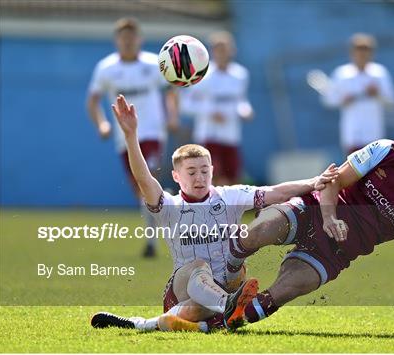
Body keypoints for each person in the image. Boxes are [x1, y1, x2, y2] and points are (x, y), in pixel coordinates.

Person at [227, 104, 394, 338]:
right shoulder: (386, 151)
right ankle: (225, 278)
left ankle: (229, 317)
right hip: (316, 209)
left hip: (338, 250)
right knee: (260, 230)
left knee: (287, 289)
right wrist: (329, 217)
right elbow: (335, 180)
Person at [90, 95, 337, 332]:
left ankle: (165, 323)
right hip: (183, 287)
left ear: (212, 170)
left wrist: (316, 181)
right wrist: (131, 136)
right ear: (176, 176)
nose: (199, 178)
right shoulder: (170, 207)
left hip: (220, 291)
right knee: (198, 266)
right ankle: (227, 307)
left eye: (204, 171)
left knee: (230, 279)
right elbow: (143, 179)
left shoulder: (228, 196)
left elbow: (274, 192)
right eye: (191, 172)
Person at [86, 18, 179, 258]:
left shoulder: (153, 64)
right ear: (117, 40)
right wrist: (103, 124)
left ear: (140, 39)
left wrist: (172, 116)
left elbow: (171, 91)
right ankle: (166, 208)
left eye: (132, 37)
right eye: (123, 38)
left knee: (148, 177)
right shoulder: (106, 68)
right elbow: (93, 101)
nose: (127, 42)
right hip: (124, 136)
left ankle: (151, 244)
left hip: (152, 132)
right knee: (140, 189)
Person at [186, 31, 253, 186]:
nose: (221, 52)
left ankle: (226, 210)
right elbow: (187, 105)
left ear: (232, 50)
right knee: (213, 177)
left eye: (225, 48)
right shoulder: (202, 75)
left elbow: (241, 101)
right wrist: (210, 113)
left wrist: (245, 111)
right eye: (217, 48)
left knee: (233, 178)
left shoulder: (240, 74)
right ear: (211, 51)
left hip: (230, 135)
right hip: (208, 134)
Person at [321, 33, 394, 155]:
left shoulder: (380, 73)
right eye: (358, 50)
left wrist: (377, 94)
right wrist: (343, 100)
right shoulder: (342, 74)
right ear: (352, 52)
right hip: (352, 135)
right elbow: (328, 100)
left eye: (366, 50)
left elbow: (393, 102)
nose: (362, 55)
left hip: (374, 135)